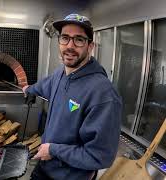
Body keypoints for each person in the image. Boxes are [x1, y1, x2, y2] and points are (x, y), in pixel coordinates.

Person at [23, 14, 122, 180]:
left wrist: (53, 150)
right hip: (45, 167)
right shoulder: (60, 74)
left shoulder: (103, 94)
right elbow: (43, 87)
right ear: (59, 41)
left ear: (90, 46)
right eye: (65, 38)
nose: (70, 46)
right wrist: (29, 89)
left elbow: (100, 156)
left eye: (79, 40)